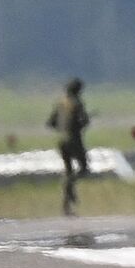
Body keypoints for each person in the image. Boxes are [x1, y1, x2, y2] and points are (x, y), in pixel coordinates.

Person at [47, 77, 90, 216]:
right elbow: (84, 121)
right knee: (83, 168)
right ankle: (70, 188)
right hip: (74, 141)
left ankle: (66, 207)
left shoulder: (60, 103)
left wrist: (63, 127)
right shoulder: (77, 103)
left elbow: (51, 123)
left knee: (68, 171)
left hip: (61, 141)